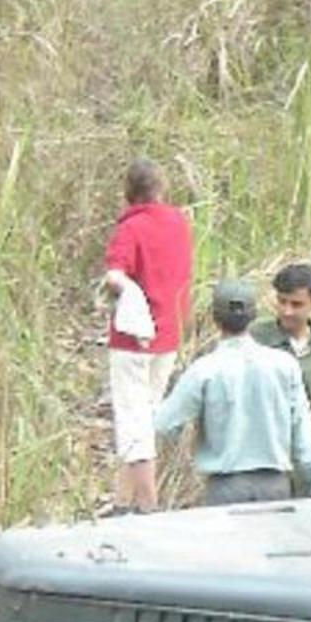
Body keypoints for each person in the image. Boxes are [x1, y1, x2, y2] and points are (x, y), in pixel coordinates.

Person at [155, 278, 311, 506]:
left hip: (225, 488)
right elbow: (305, 440)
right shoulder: (285, 365)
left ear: (215, 318)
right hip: (275, 487)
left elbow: (164, 424)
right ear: (253, 315)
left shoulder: (204, 370)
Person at [102, 158, 193, 513]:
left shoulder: (131, 228)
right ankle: (122, 499)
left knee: (132, 418)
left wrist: (121, 291)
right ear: (161, 188)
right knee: (148, 413)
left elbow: (115, 275)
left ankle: (146, 505)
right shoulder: (178, 222)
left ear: (128, 192)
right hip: (168, 332)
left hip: (133, 339)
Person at [252, 263, 311, 497]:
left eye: (296, 304)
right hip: (260, 460)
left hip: (305, 462)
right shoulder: (255, 339)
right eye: (282, 301)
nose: (287, 311)